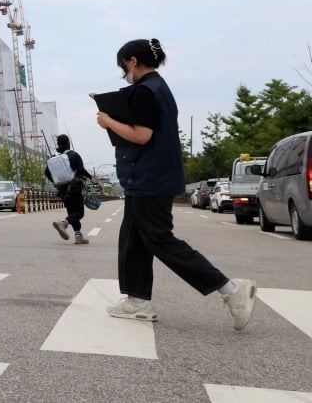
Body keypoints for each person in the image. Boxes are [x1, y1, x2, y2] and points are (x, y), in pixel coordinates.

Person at [97, 38, 255, 329]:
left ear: (132, 61)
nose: (124, 73)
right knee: (133, 240)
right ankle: (137, 301)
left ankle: (230, 290)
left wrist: (108, 122)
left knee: (159, 239)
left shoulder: (145, 91)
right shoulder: (160, 88)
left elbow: (141, 135)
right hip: (148, 178)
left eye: (124, 66)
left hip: (148, 178)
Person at [45, 134, 95, 245]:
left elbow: (47, 173)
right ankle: (63, 223)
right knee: (79, 213)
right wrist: (91, 177)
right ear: (68, 143)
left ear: (58, 144)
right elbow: (81, 170)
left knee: (72, 213)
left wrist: (57, 182)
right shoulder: (74, 155)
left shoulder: (53, 158)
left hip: (62, 190)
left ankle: (78, 236)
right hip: (74, 188)